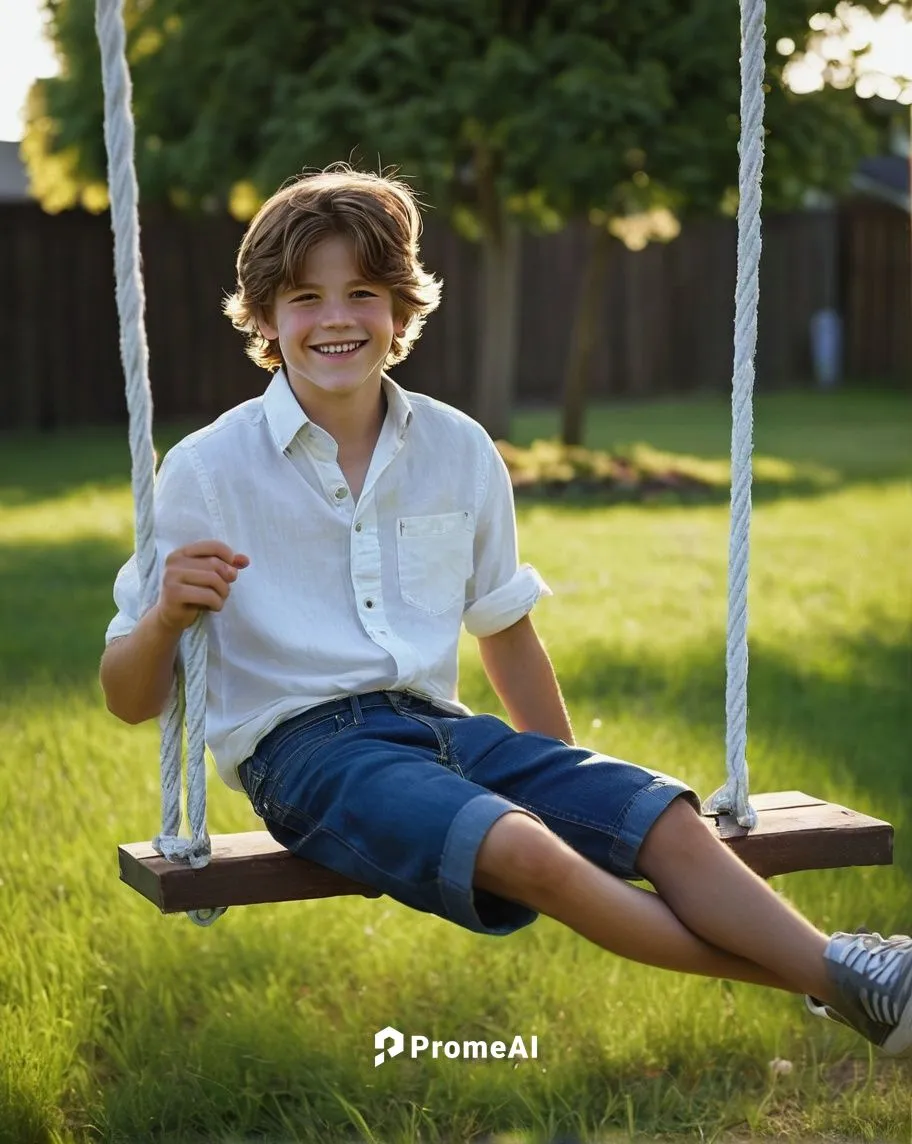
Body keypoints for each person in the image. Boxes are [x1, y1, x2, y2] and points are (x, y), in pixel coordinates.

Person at [99, 166, 911, 1058]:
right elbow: (130, 697)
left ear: (401, 310)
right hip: (307, 755)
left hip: (445, 729)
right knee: (524, 849)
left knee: (657, 816)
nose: (336, 319)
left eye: (363, 292)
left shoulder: (458, 448)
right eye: (304, 298)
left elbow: (506, 632)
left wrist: (571, 780)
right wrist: (168, 617)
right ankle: (847, 976)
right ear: (264, 318)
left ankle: (862, 989)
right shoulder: (208, 469)